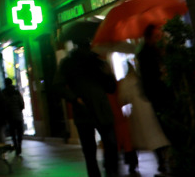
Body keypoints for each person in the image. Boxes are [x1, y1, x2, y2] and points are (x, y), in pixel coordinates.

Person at [58, 39, 119, 177]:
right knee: (96, 147)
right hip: (86, 109)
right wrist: (74, 98)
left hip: (95, 109)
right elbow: (58, 85)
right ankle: (107, 172)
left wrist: (108, 74)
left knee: (99, 147)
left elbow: (110, 88)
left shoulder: (97, 62)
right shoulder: (70, 63)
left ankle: (109, 171)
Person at [118, 64, 170, 175]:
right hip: (150, 111)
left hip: (137, 114)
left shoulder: (127, 82)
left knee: (135, 140)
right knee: (156, 139)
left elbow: (123, 98)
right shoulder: (144, 79)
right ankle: (162, 162)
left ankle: (133, 165)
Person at [2, 77, 26, 156]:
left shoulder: (3, 93)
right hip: (18, 115)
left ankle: (15, 144)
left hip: (9, 116)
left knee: (12, 133)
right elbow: (22, 105)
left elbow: (3, 106)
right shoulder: (16, 92)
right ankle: (19, 145)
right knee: (19, 132)